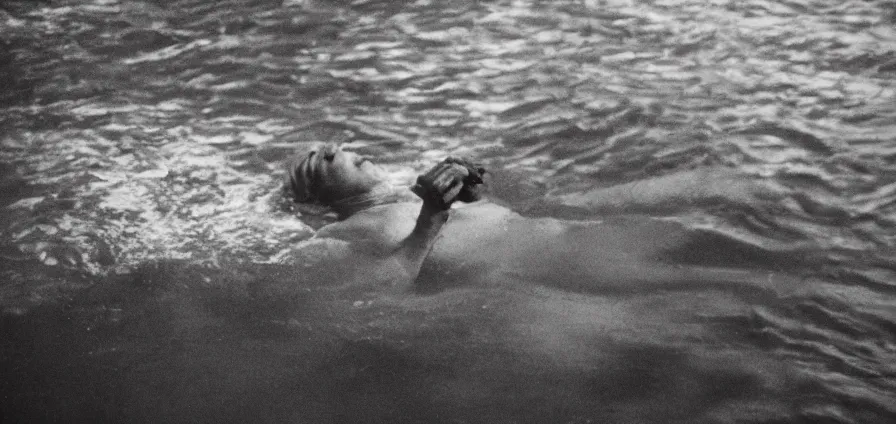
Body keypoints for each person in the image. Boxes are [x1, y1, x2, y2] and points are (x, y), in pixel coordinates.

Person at [286, 144, 786, 295]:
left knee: (741, 266)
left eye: (333, 144)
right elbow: (375, 293)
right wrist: (431, 220)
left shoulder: (416, 186)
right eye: (315, 160)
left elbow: (511, 208)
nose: (330, 147)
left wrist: (474, 190)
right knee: (737, 284)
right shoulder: (343, 233)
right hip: (549, 274)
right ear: (314, 198)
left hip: (568, 237)